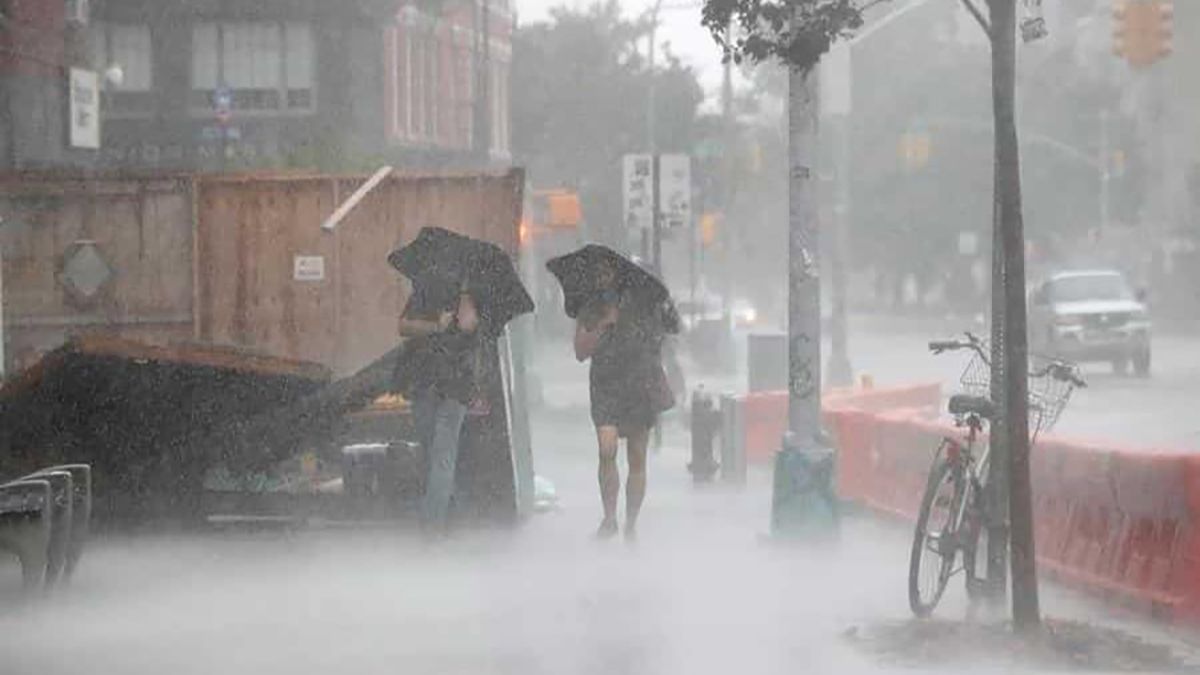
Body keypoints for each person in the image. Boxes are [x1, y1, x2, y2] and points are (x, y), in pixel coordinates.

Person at [574, 264, 674, 541]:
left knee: (637, 457)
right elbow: (580, 351)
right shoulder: (593, 308)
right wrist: (604, 324)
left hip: (639, 386)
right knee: (606, 450)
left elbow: (660, 340)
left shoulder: (647, 307)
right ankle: (609, 517)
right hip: (606, 386)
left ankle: (631, 523)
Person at [398, 278, 481, 537]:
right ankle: (449, 513)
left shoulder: (467, 297)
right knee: (434, 453)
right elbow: (403, 326)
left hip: (452, 388)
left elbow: (470, 329)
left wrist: (461, 309)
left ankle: (433, 525)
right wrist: (436, 325)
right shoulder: (424, 293)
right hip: (427, 383)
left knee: (441, 455)